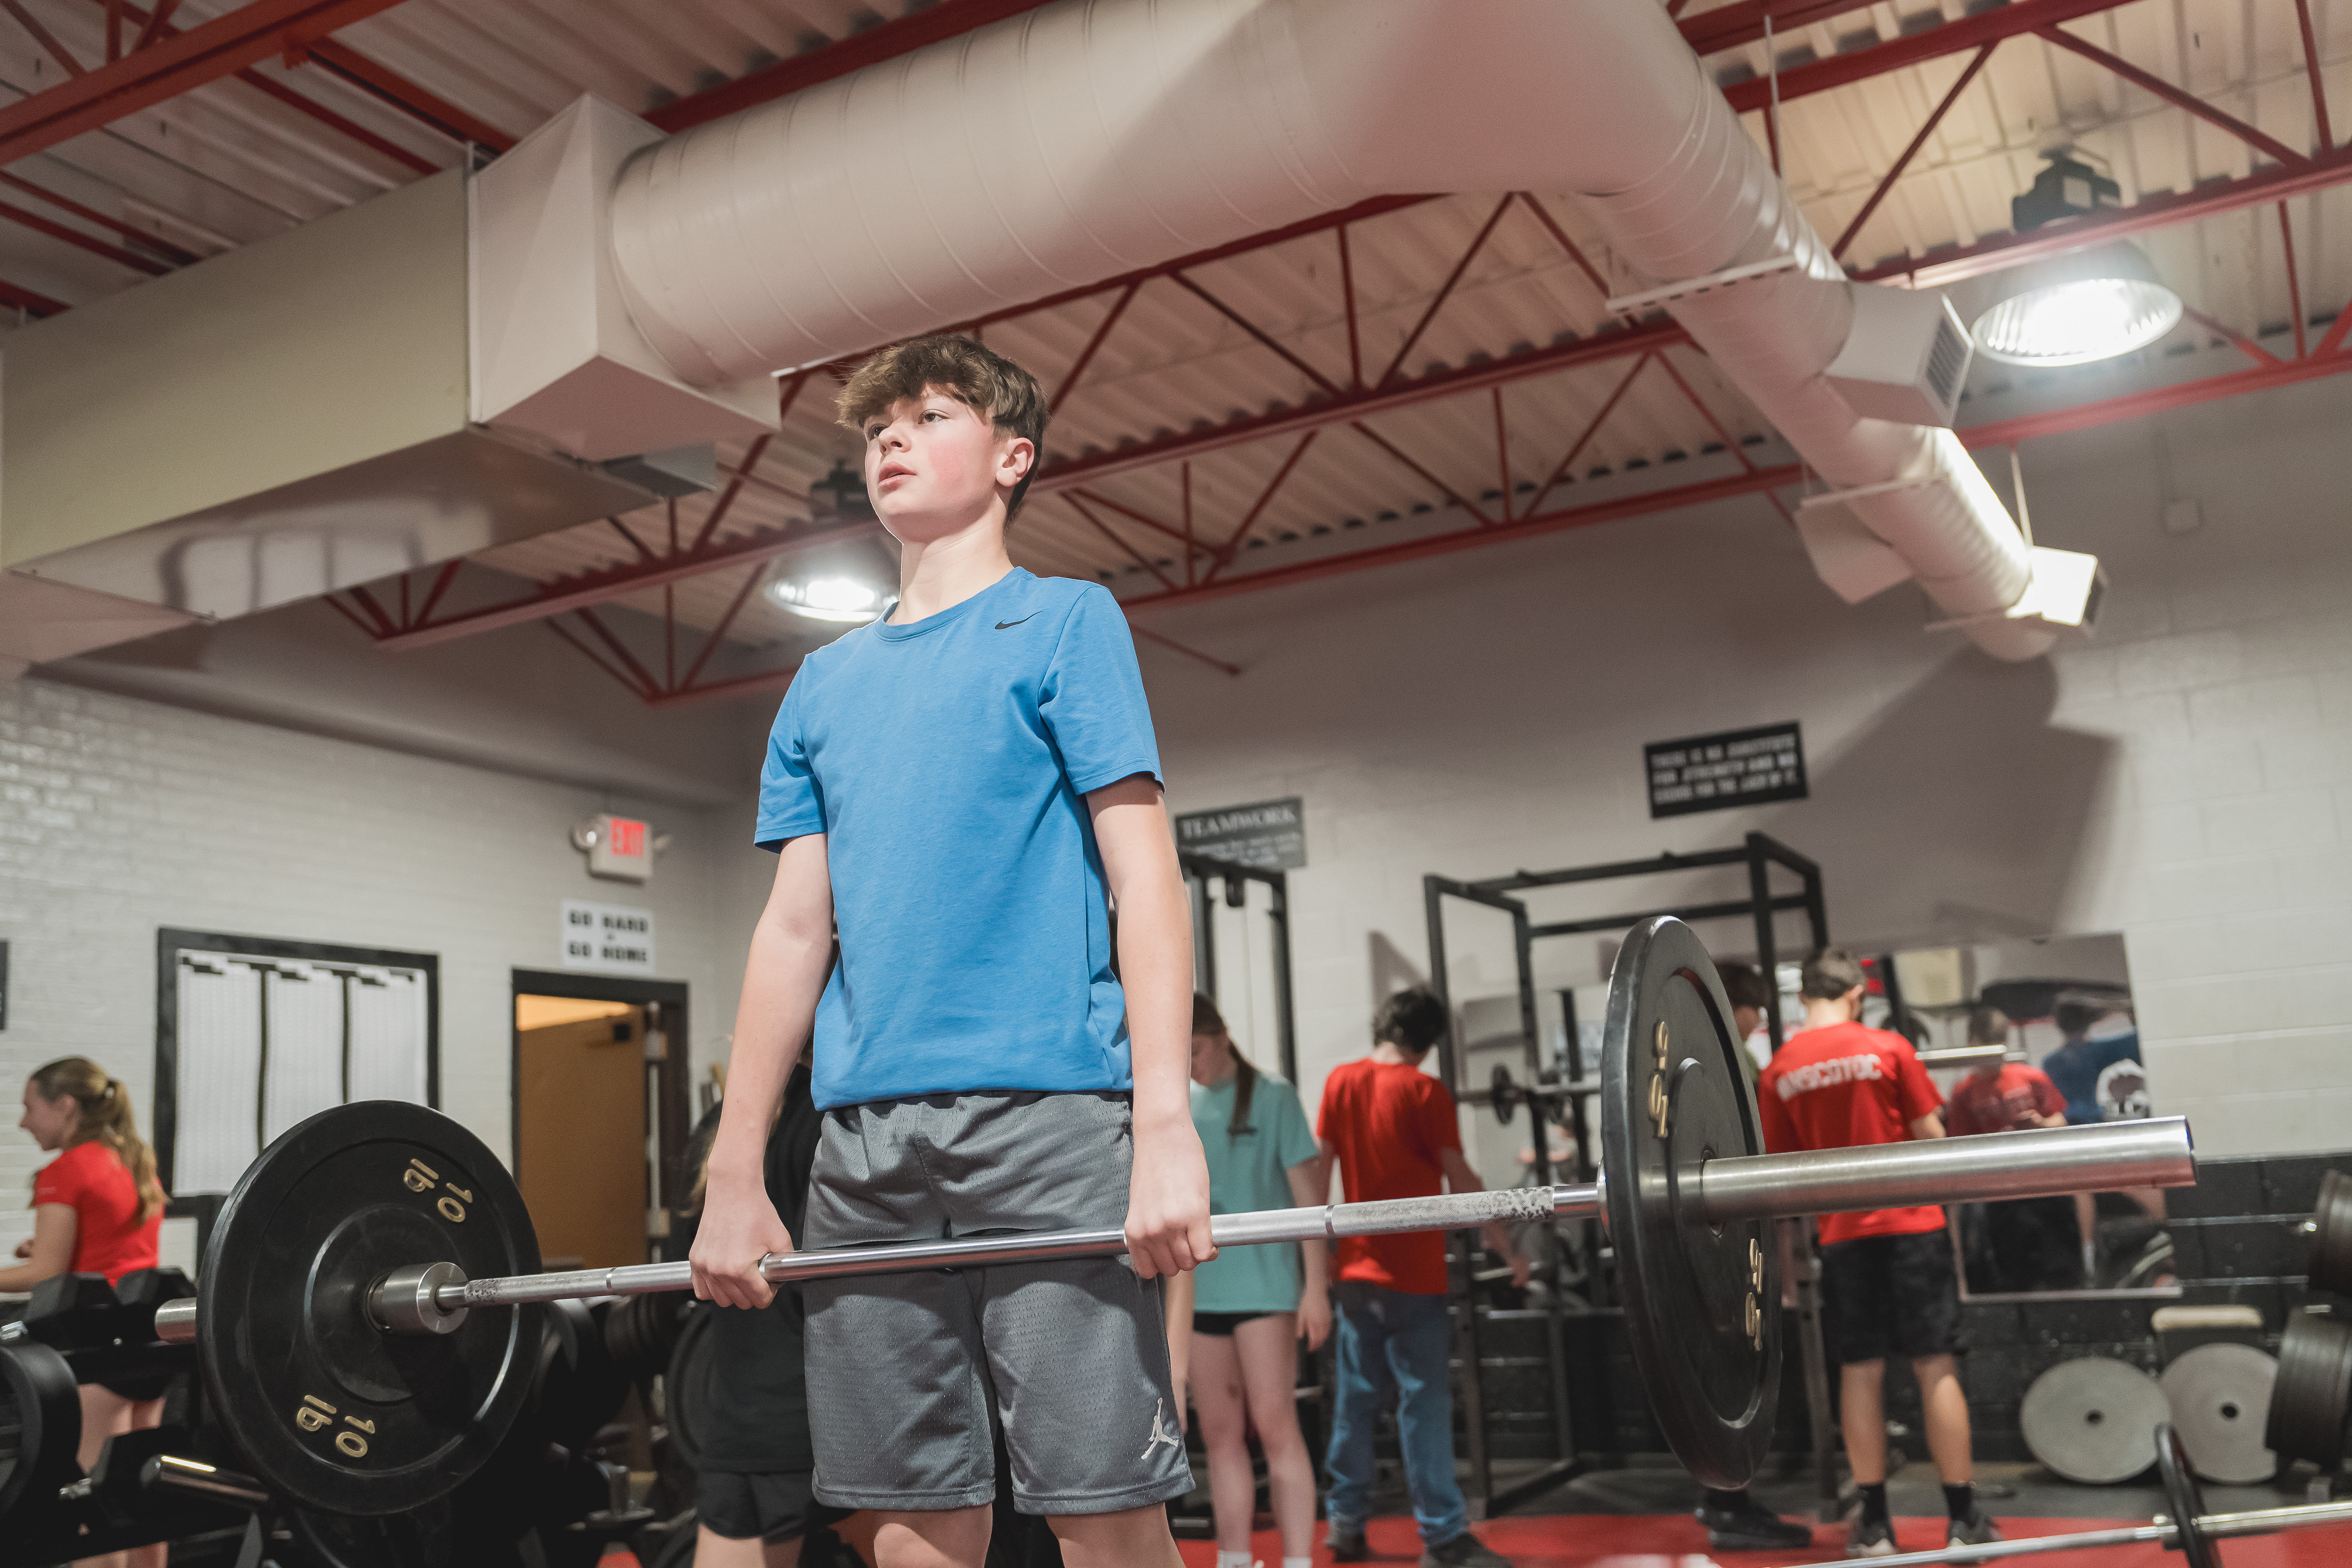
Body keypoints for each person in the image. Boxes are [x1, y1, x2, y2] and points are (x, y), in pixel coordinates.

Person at [689, 335, 1208, 1568]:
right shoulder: (821, 683)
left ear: (1011, 455)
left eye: (928, 415)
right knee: (899, 1516)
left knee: (1101, 1506)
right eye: (877, 424)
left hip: (1050, 1124)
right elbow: (792, 930)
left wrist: (1162, 1121)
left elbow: (1147, 877)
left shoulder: (1065, 623)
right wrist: (735, 1164)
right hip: (863, 1148)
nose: (891, 438)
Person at [1756, 953, 1999, 1559]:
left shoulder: (1780, 1069)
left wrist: (1784, 1268)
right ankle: (1965, 1519)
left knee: (1860, 1371)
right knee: (1933, 1365)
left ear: (1805, 997)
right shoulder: (1888, 1047)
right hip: (1913, 1224)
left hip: (1842, 1237)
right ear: (1858, 995)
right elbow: (1932, 1138)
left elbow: (1781, 1177)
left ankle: (1875, 1523)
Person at [1315, 987, 1525, 1568]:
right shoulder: (1425, 1091)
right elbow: (1460, 1177)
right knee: (1423, 1404)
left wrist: (1315, 1261)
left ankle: (1345, 1526)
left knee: (1355, 1403)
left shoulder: (1340, 1081)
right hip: (1415, 1277)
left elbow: (1320, 1168)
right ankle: (1443, 1537)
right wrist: (1507, 1246)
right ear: (1428, 1043)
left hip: (1355, 1272)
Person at [679, 1047, 880, 1568]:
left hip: (737, 1422)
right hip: (823, 1421)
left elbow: (690, 1274)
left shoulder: (723, 1130)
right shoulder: (841, 1119)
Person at [1171, 993, 1329, 1568]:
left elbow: (1310, 1202)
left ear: (1220, 1035)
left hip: (1266, 1290)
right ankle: (1233, 1559)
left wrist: (1317, 1288)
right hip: (1201, 1291)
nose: (1190, 1063)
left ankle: (1296, 1560)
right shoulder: (1175, 1104)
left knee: (1274, 1423)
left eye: (1195, 1050)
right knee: (1219, 1434)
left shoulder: (1273, 1095)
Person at [7, 1058, 169, 1568]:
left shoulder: (65, 1170)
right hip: (152, 1341)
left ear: (65, 1106)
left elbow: (43, 1276)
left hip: (97, 1346)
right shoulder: (132, 1159)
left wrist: (44, 1258)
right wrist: (50, 1251)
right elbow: (115, 1253)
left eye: (29, 1107)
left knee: (91, 1504)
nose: (22, 1122)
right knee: (139, 1496)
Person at [1689, 963, 1814, 1554]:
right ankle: (1728, 1504)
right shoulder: (1739, 1062)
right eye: (1755, 1009)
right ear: (1732, 1007)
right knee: (1740, 1370)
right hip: (1736, 1237)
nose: (1759, 1020)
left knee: (1722, 1368)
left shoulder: (1699, 1062)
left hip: (1707, 1238)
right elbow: (1760, 1156)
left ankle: (1718, 1494)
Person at [1940, 1007, 2080, 1294]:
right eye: (1987, 1042)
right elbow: (1959, 1147)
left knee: (2062, 1273)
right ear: (1973, 1042)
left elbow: (2061, 1120)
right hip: (2001, 1195)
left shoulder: (2030, 1077)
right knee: (2017, 1277)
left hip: (2045, 1187)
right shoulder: (1964, 1093)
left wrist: (2039, 1125)